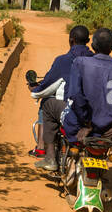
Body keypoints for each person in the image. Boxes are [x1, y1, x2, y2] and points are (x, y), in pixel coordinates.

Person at [29, 25, 93, 170]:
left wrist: (34, 90)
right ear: (88, 41)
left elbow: (45, 88)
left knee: (46, 104)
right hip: (93, 113)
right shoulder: (96, 59)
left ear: (71, 41)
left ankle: (50, 157)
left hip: (73, 110)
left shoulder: (64, 60)